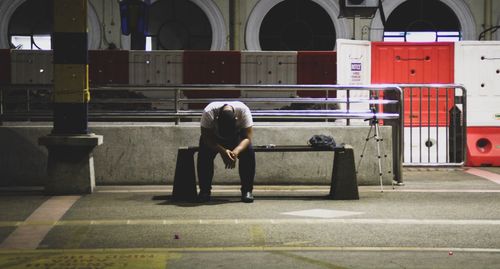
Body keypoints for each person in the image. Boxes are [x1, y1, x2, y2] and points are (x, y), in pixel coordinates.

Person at [197, 101, 256, 203]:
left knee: (248, 152)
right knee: (204, 152)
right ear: (217, 119)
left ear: (236, 119)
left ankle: (247, 190)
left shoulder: (243, 111)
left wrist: (236, 152)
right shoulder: (208, 112)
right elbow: (206, 137)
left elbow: (248, 138)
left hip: (236, 136)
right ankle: (204, 191)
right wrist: (223, 151)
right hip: (214, 137)